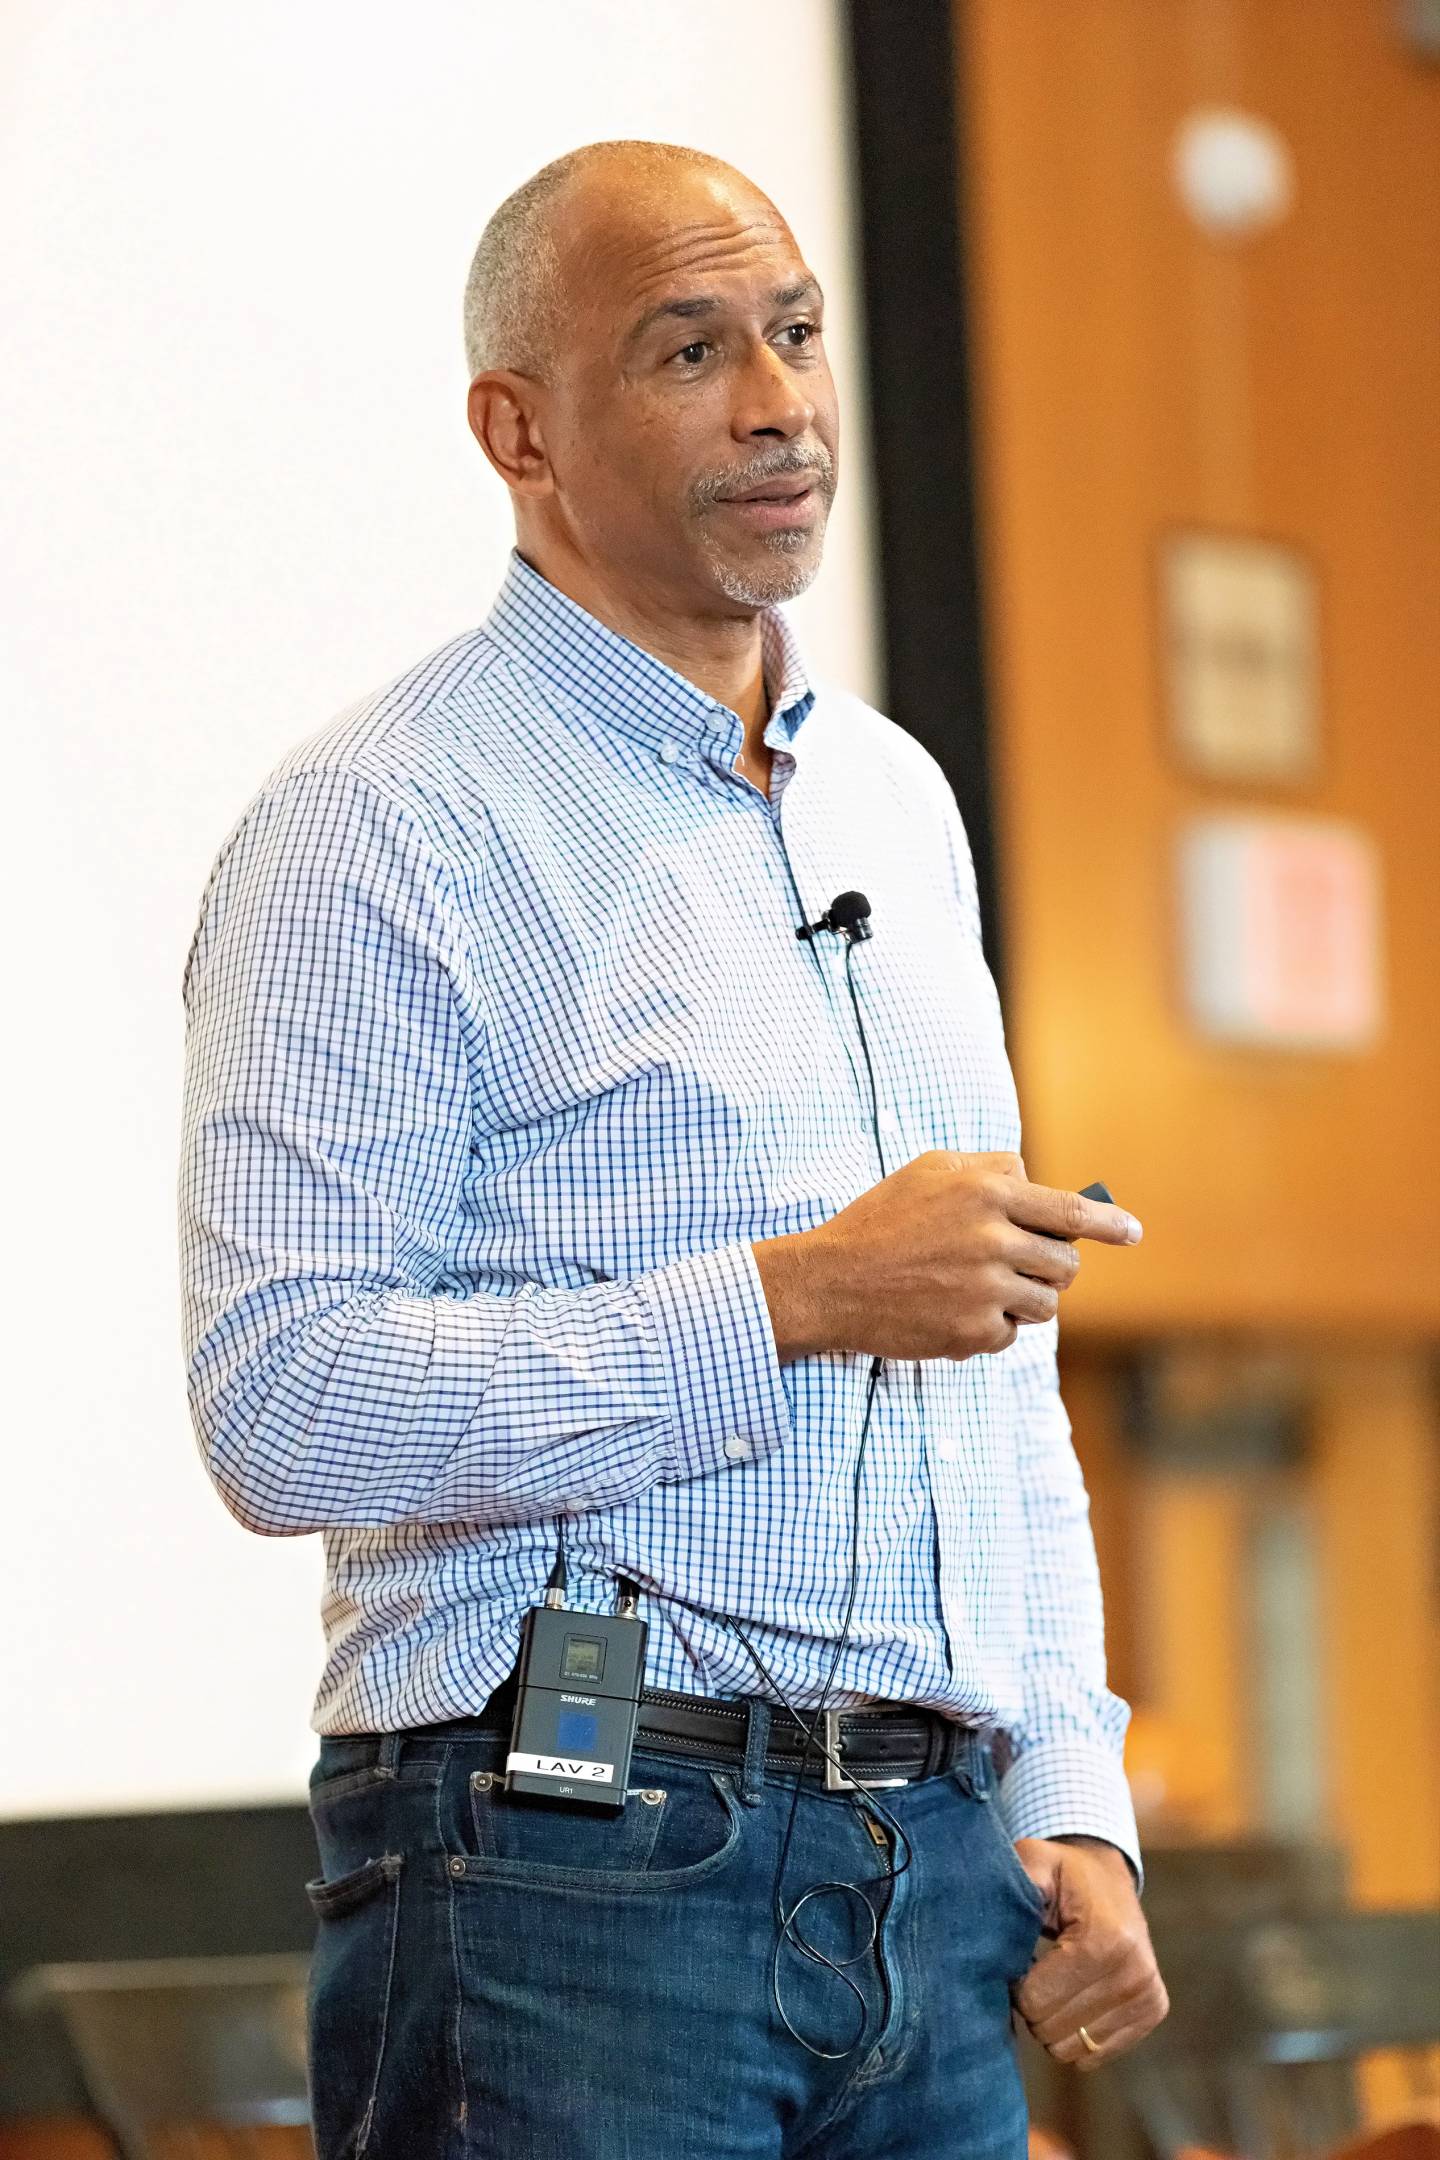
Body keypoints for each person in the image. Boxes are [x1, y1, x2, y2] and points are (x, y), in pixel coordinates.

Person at [178, 138, 1167, 2159]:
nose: (785, 401)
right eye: (691, 349)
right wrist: (788, 1302)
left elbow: (998, 1364)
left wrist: (1068, 1780)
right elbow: (281, 1407)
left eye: (796, 335)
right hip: (572, 1865)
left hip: (943, 1875)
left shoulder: (894, 800)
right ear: (517, 428)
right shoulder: (381, 824)